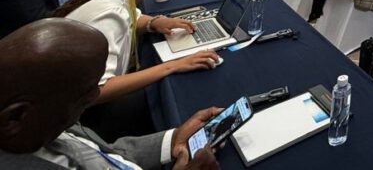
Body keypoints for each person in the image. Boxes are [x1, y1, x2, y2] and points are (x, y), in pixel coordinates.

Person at [0, 18, 221, 169]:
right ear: (16, 116)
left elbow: (108, 155)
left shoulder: (41, 123)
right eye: (86, 92)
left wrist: (173, 140)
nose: (96, 95)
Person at [56, 0, 220, 138]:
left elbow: (132, 17)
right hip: (79, 118)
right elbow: (97, 90)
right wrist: (172, 65)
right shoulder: (111, 13)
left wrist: (153, 22)